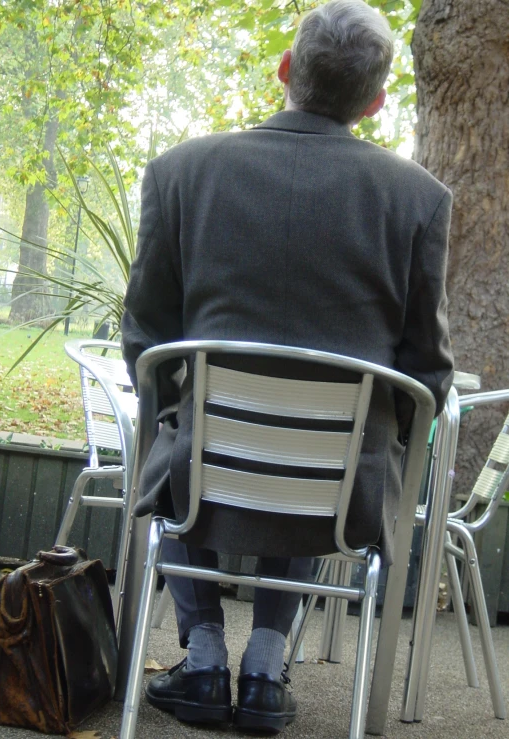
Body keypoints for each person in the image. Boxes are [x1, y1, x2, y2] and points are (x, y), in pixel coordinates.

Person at [121, 0, 454, 733]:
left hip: (200, 479)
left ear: (285, 70)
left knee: (175, 427)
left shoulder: (181, 173)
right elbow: (427, 375)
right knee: (337, 440)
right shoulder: (420, 202)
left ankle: (204, 657)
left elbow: (145, 340)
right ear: (374, 101)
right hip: (338, 500)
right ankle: (266, 671)